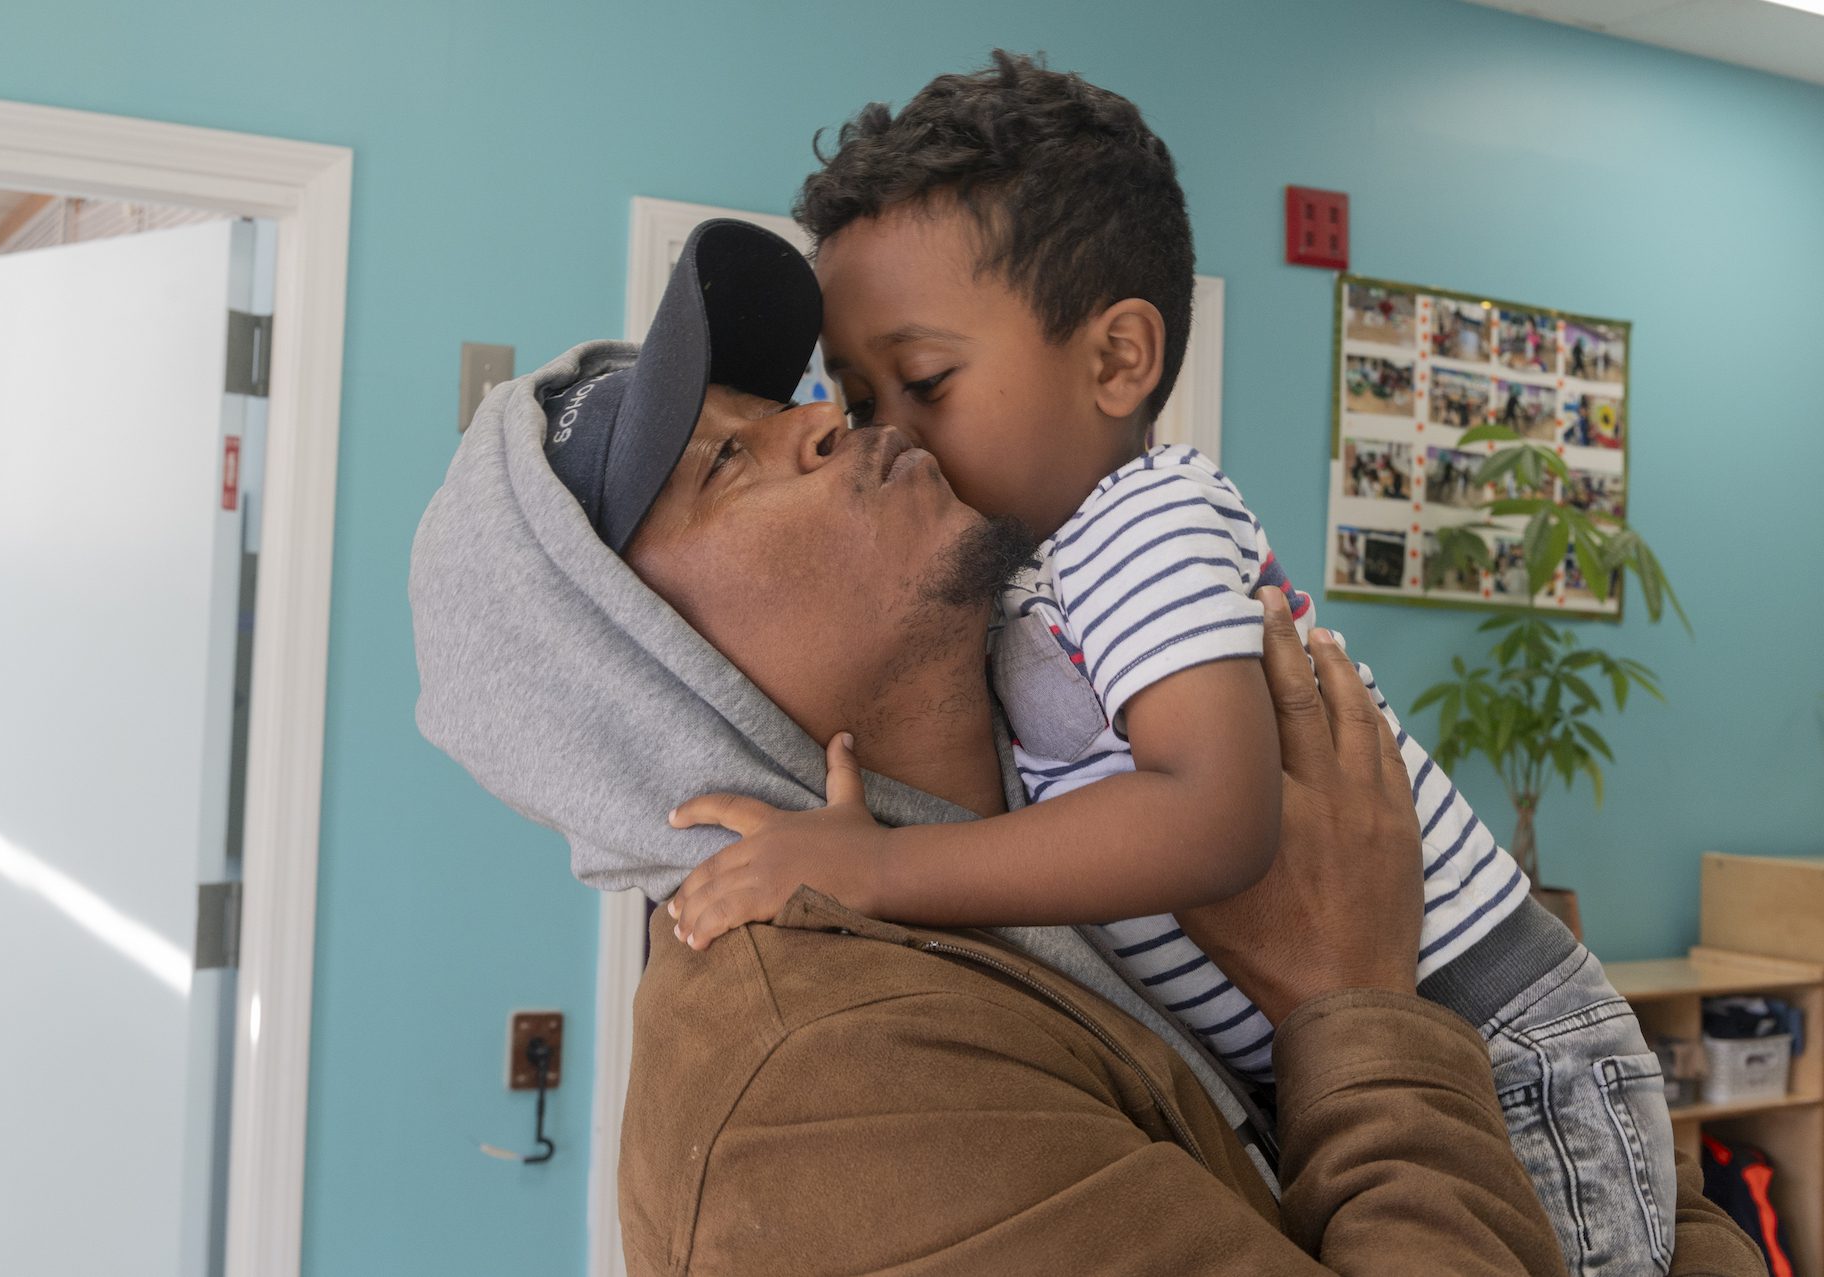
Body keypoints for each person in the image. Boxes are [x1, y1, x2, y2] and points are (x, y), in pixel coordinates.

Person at [407, 218, 1760, 1275]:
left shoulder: (1071, 804)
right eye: (728, 464)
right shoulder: (820, 1084)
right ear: (647, 673)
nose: (830, 418)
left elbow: (1597, 1154)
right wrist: (1356, 1001)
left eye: (786, 403)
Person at [663, 54, 1680, 1277]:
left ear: (1117, 360)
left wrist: (881, 865)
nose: (882, 432)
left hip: (1504, 1044)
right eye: (859, 390)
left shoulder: (1143, 522)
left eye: (926, 380)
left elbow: (1213, 817)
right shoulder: (1026, 580)